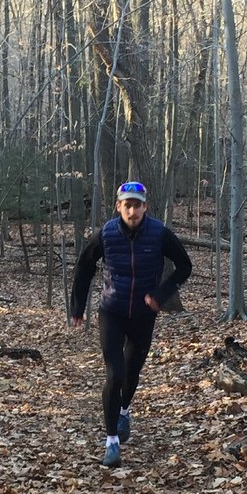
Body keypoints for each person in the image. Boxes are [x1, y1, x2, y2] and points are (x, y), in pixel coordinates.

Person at [70, 181, 192, 467]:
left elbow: (185, 266)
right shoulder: (107, 234)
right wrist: (77, 307)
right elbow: (84, 266)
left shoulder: (160, 234)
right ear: (119, 207)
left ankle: (124, 411)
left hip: (142, 315)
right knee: (115, 374)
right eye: (128, 205)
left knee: (131, 372)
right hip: (111, 312)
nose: (133, 210)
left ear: (145, 207)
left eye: (138, 205)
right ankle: (111, 441)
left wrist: (161, 295)